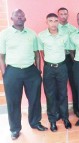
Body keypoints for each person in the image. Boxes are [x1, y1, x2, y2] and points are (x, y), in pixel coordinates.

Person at [0, 9, 48, 140]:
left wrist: (38, 71)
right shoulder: (4, 34)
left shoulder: (32, 34)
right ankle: (15, 129)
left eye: (22, 15)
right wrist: (5, 74)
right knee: (13, 102)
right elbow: (1, 56)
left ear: (25, 18)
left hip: (31, 71)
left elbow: (37, 54)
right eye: (17, 15)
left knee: (34, 99)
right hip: (12, 71)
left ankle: (35, 122)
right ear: (12, 18)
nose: (20, 17)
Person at [38, 13, 72, 132]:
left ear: (58, 22)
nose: (53, 23)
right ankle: (52, 120)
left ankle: (65, 118)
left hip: (62, 67)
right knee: (50, 95)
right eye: (50, 21)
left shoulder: (64, 35)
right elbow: (41, 53)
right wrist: (48, 64)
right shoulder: (41, 36)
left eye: (55, 20)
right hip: (49, 69)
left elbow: (67, 50)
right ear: (46, 22)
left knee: (63, 93)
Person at [57, 7, 79, 117]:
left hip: (71, 58)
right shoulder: (55, 29)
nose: (63, 16)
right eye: (61, 14)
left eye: (65, 14)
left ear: (68, 15)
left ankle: (77, 109)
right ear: (58, 15)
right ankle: (61, 111)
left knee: (75, 84)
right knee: (60, 86)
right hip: (59, 58)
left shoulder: (73, 29)